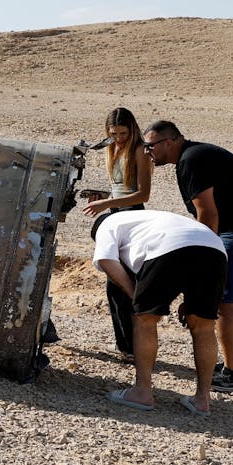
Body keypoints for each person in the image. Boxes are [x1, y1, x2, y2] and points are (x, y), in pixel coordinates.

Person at [143, 119, 233, 394]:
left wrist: (205, 263)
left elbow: (207, 214)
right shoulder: (193, 155)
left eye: (150, 146)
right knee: (230, 295)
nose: (147, 153)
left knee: (221, 299)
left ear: (168, 142)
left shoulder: (191, 160)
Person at [92, 210, 226, 415]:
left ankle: (142, 392)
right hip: (214, 247)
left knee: (144, 319)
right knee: (204, 325)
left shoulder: (106, 224)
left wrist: (135, 297)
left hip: (167, 246)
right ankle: (202, 400)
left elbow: (106, 260)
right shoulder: (146, 219)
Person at [81, 107, 156, 358]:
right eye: (114, 133)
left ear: (132, 129)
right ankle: (126, 346)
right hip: (117, 214)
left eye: (123, 133)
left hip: (132, 216)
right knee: (114, 285)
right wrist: (104, 198)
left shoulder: (140, 151)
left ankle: (134, 348)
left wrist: (105, 204)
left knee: (123, 282)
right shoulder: (112, 149)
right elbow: (119, 190)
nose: (119, 137)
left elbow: (142, 194)